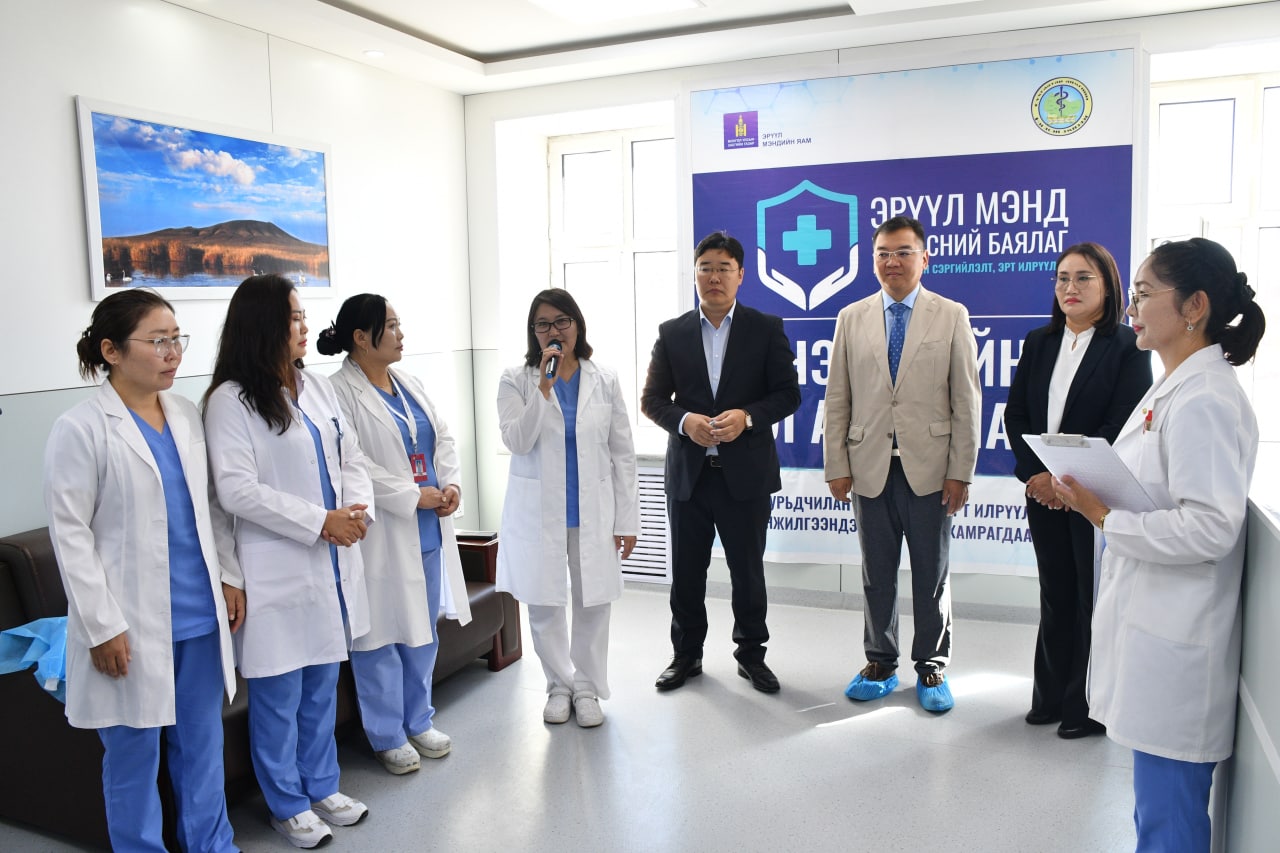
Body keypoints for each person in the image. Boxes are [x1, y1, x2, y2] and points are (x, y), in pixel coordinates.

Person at [1053, 238, 1265, 852]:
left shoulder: (1206, 399)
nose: (1131, 309)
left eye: (1144, 295)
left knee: (1168, 824)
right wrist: (1093, 492)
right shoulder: (1175, 386)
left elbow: (1211, 528)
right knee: (1158, 819)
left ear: (1194, 306)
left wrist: (1102, 516)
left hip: (1178, 646)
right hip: (1155, 628)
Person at [44, 289, 243, 852]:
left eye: (177, 339)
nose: (172, 353)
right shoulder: (81, 428)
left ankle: (212, 845)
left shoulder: (185, 415)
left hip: (199, 617)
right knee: (133, 757)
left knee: (202, 747)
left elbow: (210, 508)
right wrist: (101, 626)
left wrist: (230, 575)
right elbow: (71, 537)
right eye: (157, 341)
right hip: (129, 625)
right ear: (111, 350)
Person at [203, 274, 374, 849]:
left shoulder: (317, 387)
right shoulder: (230, 401)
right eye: (293, 317)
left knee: (322, 684)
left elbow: (351, 455)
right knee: (278, 696)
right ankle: (286, 804)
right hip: (274, 564)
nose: (304, 327)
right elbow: (236, 490)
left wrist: (358, 510)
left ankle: (322, 785)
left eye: (303, 316)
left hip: (331, 560)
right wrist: (320, 520)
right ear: (263, 326)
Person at [822, 215, 980, 712]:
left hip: (930, 469)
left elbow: (966, 401)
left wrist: (960, 472)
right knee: (877, 574)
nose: (892, 262)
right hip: (869, 465)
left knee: (931, 574)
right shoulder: (851, 317)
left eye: (903, 252)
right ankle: (880, 661)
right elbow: (838, 396)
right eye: (883, 253)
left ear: (924, 258)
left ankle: (931, 664)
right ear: (873, 260)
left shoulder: (950, 315)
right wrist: (836, 464)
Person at [641, 231, 801, 694]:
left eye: (723, 268)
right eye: (705, 268)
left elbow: (788, 394)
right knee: (687, 574)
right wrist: (684, 420)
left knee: (747, 573)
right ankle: (686, 655)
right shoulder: (672, 333)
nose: (714, 277)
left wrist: (747, 417)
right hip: (689, 477)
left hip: (745, 477)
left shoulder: (765, 328)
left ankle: (751, 655)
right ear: (694, 274)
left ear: (741, 275)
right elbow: (652, 400)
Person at [320, 294, 473, 775]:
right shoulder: (337, 392)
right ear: (361, 338)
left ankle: (419, 719)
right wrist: (411, 494)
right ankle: (387, 734)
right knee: (380, 634)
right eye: (390, 326)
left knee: (422, 631)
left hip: (427, 528)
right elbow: (353, 463)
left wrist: (449, 483)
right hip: (381, 532)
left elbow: (442, 437)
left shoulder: (409, 383)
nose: (400, 334)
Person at [1004, 242, 1152, 739]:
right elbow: (1017, 415)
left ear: (1108, 286)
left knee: (1091, 598)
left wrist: (1066, 482)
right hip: (1044, 493)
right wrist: (1037, 477)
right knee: (1055, 594)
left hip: (1094, 498)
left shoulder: (1128, 346)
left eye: (1084, 277)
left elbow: (1120, 426)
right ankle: (1047, 697)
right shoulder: (1039, 341)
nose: (1071, 287)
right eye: (1063, 278)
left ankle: (1083, 706)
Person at [496, 288, 639, 727]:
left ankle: (587, 687)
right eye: (543, 324)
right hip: (540, 513)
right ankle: (559, 685)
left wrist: (627, 519)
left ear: (577, 324)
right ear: (533, 332)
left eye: (562, 321)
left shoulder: (605, 379)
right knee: (545, 602)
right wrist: (544, 387)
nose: (553, 330)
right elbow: (517, 440)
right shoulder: (516, 379)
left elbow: (623, 452)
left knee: (594, 600)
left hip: (593, 510)